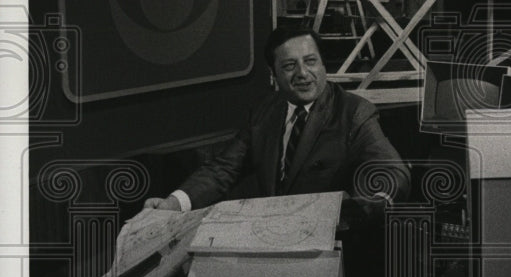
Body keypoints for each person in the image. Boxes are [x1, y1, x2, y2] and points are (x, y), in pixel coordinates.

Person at [144, 27, 410, 228]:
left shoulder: (354, 112)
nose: (303, 73)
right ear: (274, 74)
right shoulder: (265, 112)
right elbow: (222, 170)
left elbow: (391, 170)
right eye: (289, 66)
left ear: (323, 64)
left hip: (332, 247)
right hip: (273, 239)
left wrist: (369, 202)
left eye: (311, 61)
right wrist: (172, 204)